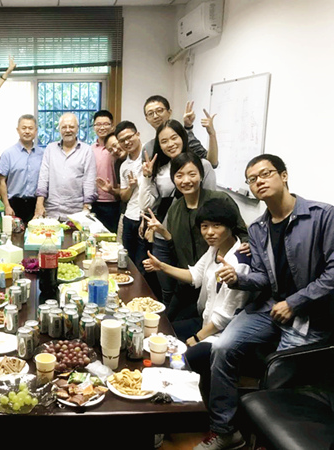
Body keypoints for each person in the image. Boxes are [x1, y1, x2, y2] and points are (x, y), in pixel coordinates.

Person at [193, 154, 334, 450]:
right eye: (252, 179)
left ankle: (265, 440)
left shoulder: (322, 216)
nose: (259, 182)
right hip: (270, 307)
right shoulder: (258, 228)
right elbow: (262, 278)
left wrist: (295, 303)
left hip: (309, 316)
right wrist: (238, 279)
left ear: (284, 175)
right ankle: (226, 430)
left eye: (265, 174)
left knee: (277, 378)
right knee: (222, 346)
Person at [143, 196, 251, 401]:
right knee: (164, 330)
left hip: (221, 335)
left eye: (217, 226)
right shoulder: (215, 248)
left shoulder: (239, 263)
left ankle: (191, 406)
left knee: (182, 359)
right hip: (205, 321)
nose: (209, 232)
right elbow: (195, 275)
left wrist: (196, 338)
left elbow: (224, 318)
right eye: (204, 226)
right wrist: (161, 266)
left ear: (230, 226)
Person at [142, 152, 247, 320]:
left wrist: (245, 248)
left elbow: (241, 231)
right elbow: (176, 248)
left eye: (192, 174)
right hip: (188, 280)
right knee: (167, 322)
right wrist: (163, 231)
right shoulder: (175, 209)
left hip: (218, 280)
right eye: (179, 176)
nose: (186, 180)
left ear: (201, 175)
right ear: (173, 179)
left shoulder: (219, 200)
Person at [139, 119, 217, 306]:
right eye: (164, 141)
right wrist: (147, 177)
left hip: (191, 239)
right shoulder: (160, 169)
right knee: (167, 290)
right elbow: (146, 205)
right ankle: (169, 320)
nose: (170, 144)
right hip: (163, 236)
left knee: (192, 288)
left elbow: (210, 203)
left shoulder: (202, 165)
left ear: (183, 137)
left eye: (174, 138)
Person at [97, 121, 145, 271]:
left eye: (116, 145)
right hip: (129, 215)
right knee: (126, 260)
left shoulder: (148, 154)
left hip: (146, 217)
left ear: (137, 134)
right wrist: (114, 190)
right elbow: (124, 196)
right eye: (111, 149)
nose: (116, 150)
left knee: (142, 263)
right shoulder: (122, 165)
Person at [35, 113, 97, 220]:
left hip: (76, 213)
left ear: (77, 128)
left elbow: (89, 181)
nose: (68, 130)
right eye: (64, 127)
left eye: (71, 127)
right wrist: (39, 204)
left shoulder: (87, 151)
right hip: (52, 211)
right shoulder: (50, 149)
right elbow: (43, 178)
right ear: (59, 129)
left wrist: (86, 208)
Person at [142, 95, 218, 167]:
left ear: (169, 112)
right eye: (150, 113)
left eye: (159, 110)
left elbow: (211, 163)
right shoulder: (148, 148)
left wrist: (212, 134)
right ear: (147, 119)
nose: (155, 116)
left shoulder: (185, 138)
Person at [0, 114, 44, 224]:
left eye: (30, 128)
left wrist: (41, 205)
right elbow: (1, 181)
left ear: (36, 131)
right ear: (18, 130)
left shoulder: (43, 154)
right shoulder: (8, 154)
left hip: (35, 204)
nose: (27, 131)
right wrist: (6, 205)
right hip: (14, 204)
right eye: (24, 128)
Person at [91, 110, 120, 232]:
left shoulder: (118, 148)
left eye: (106, 124)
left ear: (112, 126)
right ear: (94, 127)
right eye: (98, 124)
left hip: (113, 201)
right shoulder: (90, 149)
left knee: (111, 237)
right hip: (93, 201)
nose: (102, 127)